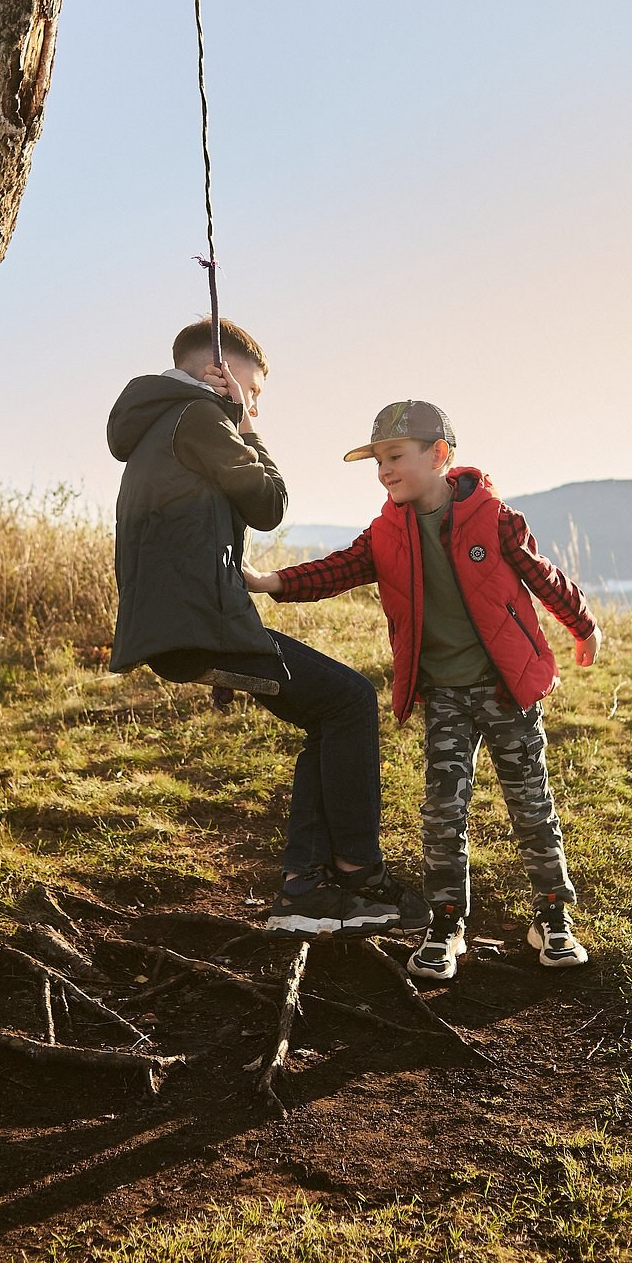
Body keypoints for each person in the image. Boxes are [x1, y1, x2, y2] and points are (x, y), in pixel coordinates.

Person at [244, 400, 601, 979]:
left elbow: (542, 575)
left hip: (507, 688)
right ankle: (446, 922)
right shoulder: (387, 533)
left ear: (440, 455)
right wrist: (270, 582)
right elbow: (336, 570)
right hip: (445, 695)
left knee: (530, 804)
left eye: (395, 456)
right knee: (443, 810)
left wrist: (583, 626)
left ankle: (552, 916)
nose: (384, 470)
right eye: (377, 461)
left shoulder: (495, 518)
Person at [107, 319, 428, 940]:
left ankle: (310, 885)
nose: (252, 404)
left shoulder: (157, 423)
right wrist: (250, 428)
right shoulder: (201, 418)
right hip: (199, 623)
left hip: (184, 622)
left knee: (331, 709)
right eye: (250, 389)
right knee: (349, 701)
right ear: (214, 375)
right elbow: (270, 502)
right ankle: (353, 876)